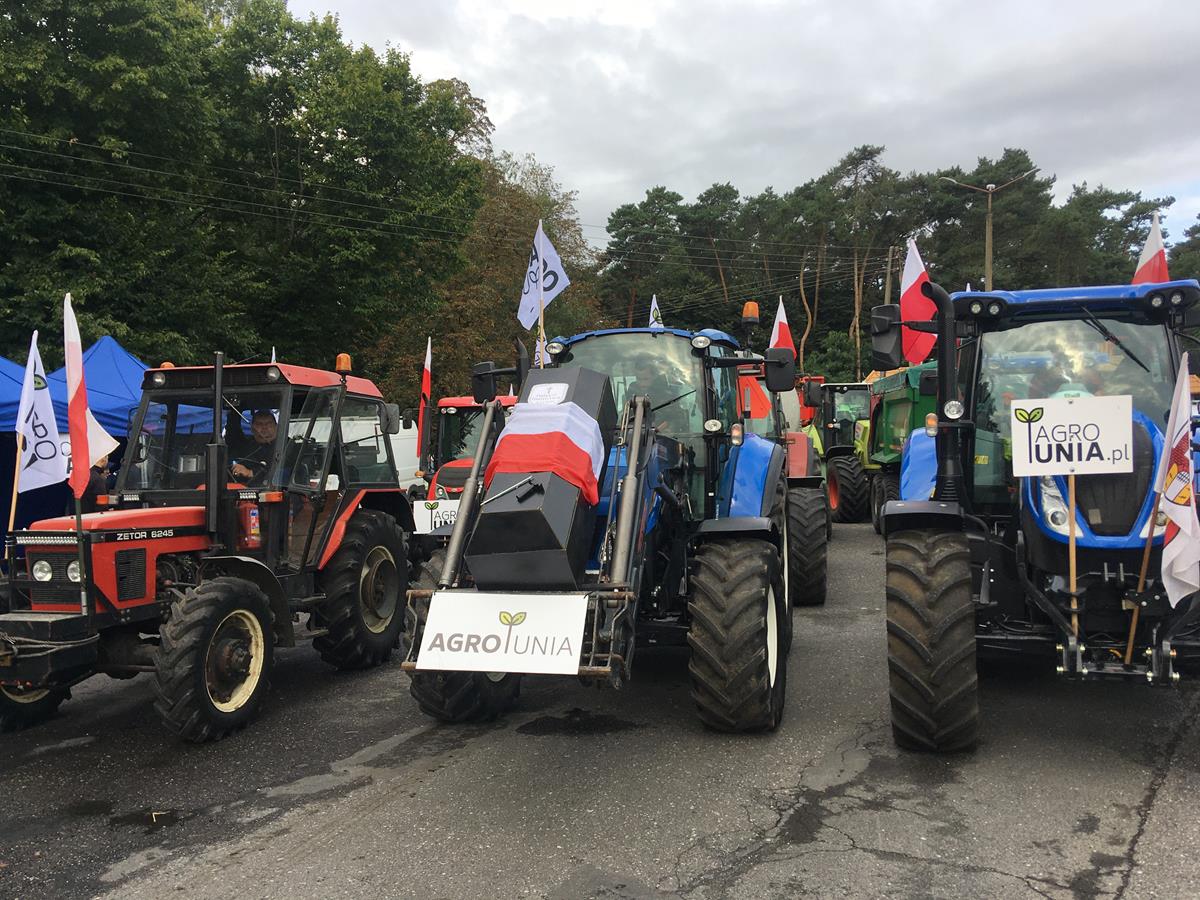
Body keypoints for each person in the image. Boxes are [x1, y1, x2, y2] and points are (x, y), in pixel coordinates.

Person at [230, 410, 277, 483]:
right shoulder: (245, 447)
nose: (264, 427)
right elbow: (232, 433)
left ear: (276, 426)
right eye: (259, 424)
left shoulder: (286, 445)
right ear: (252, 428)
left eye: (269, 423)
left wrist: (250, 473)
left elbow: (283, 472)